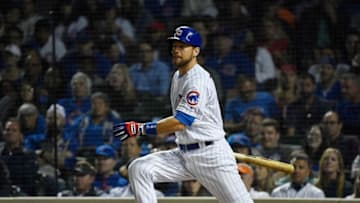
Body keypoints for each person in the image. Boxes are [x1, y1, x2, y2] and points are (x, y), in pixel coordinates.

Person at [113, 25, 253, 203]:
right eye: (175, 46)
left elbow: (181, 122)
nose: (176, 50)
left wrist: (139, 128)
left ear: (195, 51)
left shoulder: (197, 80)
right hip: (185, 154)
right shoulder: (178, 76)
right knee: (140, 168)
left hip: (211, 155)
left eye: (182, 46)